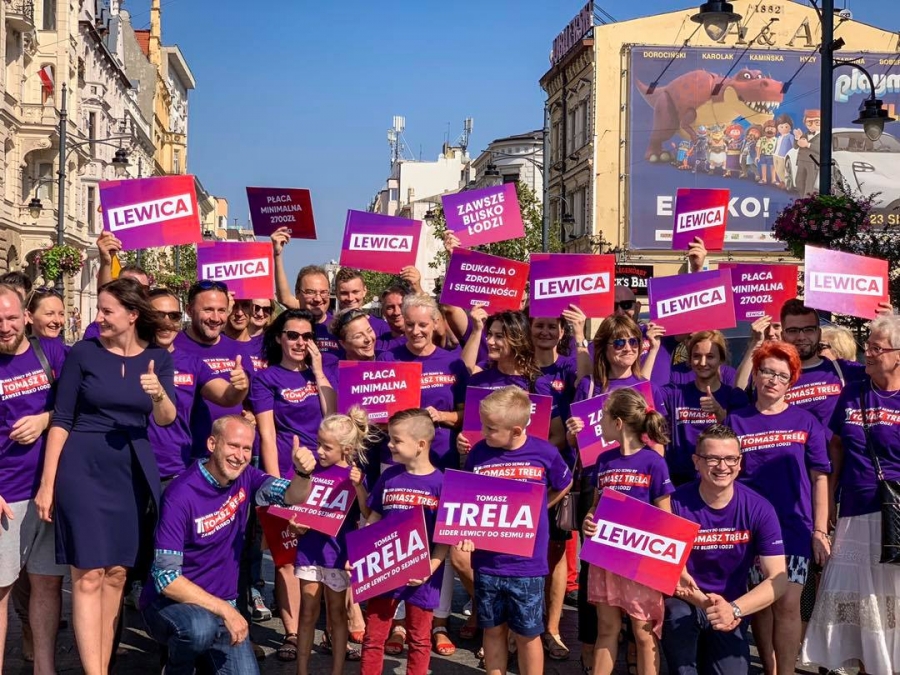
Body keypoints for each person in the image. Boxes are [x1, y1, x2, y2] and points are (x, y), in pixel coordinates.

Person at [34, 278, 176, 675]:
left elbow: (166, 418)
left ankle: (103, 666)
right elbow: (62, 419)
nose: (98, 317)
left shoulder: (158, 358)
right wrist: (47, 483)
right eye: (99, 309)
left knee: (116, 574)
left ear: (132, 315)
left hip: (131, 471)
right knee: (88, 574)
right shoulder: (84, 352)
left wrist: (157, 392)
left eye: (107, 311)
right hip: (82, 468)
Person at [141, 415, 318, 674]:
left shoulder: (246, 477)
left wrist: (303, 474)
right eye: (233, 445)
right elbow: (166, 579)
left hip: (222, 608)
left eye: (246, 448)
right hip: (170, 605)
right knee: (199, 629)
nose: (240, 456)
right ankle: (175, 666)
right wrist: (225, 609)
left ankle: (203, 658)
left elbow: (292, 496)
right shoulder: (179, 494)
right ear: (212, 444)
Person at [724, 341, 832, 675]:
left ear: (791, 381)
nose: (773, 380)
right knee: (761, 605)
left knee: (787, 604)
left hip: (794, 526)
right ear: (755, 375)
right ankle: (769, 669)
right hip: (750, 528)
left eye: (782, 375)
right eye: (767, 372)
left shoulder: (806, 421)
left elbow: (820, 477)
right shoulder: (736, 420)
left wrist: (819, 529)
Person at [565, 313, 665, 671]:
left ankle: (639, 657)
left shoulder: (647, 387)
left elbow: (658, 453)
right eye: (619, 341)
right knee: (598, 590)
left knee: (641, 617)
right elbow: (578, 446)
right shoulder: (590, 385)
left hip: (638, 506)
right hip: (600, 486)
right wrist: (574, 432)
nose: (627, 348)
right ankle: (589, 652)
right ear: (604, 348)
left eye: (633, 341)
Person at [802, 315, 900, 674]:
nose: (868, 353)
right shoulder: (853, 391)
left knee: (890, 604)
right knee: (855, 605)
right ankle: (864, 667)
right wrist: (828, 503)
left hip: (894, 517)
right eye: (867, 346)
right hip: (854, 513)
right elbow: (836, 448)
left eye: (877, 348)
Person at [377, 294, 468, 655]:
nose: (416, 330)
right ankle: (400, 621)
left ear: (435, 324)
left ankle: (439, 620)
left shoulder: (453, 362)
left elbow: (467, 415)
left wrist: (441, 417)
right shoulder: (388, 358)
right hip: (396, 463)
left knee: (437, 541)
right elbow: (374, 407)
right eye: (410, 323)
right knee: (397, 538)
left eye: (423, 324)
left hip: (441, 462)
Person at [462, 386, 572, 675]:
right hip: (487, 562)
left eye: (490, 428)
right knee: (492, 629)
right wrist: (465, 532)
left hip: (527, 565)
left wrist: (541, 506)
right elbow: (466, 497)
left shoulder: (545, 452)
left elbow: (565, 482)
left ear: (516, 430)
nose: (483, 432)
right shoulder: (479, 453)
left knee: (527, 634)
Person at [663, 425, 788, 674]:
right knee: (677, 623)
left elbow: (779, 579)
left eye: (730, 458)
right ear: (696, 462)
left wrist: (734, 609)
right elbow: (664, 570)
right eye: (712, 458)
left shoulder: (759, 508)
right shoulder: (674, 505)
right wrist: (593, 516)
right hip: (686, 602)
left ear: (739, 462)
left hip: (730, 607)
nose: (722, 466)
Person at [251, 308, 336, 660]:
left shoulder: (323, 371)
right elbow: (267, 435)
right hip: (287, 475)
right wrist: (275, 488)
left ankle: (332, 631)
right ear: (279, 338)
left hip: (327, 477)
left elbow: (333, 419)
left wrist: (318, 371)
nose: (300, 342)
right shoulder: (266, 378)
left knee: (329, 557)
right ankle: (292, 633)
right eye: (293, 335)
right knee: (286, 560)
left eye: (307, 336)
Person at [0, 284, 68, 675]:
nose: (5, 327)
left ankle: (45, 668)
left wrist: (45, 420)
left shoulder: (52, 352)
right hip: (6, 497)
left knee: (46, 584)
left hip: (49, 491)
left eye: (12, 318)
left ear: (26, 317)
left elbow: (78, 403)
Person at [582, 388, 674, 675]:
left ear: (618, 422)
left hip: (640, 561)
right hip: (605, 557)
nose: (600, 423)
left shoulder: (654, 461)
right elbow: (596, 506)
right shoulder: (603, 460)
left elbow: (666, 517)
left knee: (643, 632)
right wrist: (589, 520)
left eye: (604, 417)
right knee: (607, 628)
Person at [359, 409, 450, 675]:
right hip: (384, 569)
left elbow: (444, 537)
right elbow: (374, 517)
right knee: (374, 637)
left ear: (421, 444)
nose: (389, 444)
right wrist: (361, 555)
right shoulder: (388, 477)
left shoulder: (442, 483)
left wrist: (430, 567)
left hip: (423, 576)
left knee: (419, 639)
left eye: (396, 440)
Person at [294, 409, 372, 675]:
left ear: (346, 449)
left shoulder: (354, 475)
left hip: (337, 555)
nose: (319, 451)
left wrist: (359, 486)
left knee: (338, 614)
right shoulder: (310, 471)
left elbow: (367, 512)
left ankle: (336, 671)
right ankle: (301, 671)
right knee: (307, 612)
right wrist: (294, 523)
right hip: (309, 551)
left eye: (327, 447)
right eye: (318, 444)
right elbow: (295, 506)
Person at [662, 331, 748, 486]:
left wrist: (719, 412)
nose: (702, 363)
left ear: (721, 359)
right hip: (680, 483)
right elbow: (643, 392)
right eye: (696, 356)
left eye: (710, 356)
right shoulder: (674, 394)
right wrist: (656, 347)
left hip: (720, 479)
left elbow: (741, 439)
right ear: (689, 359)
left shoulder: (734, 396)